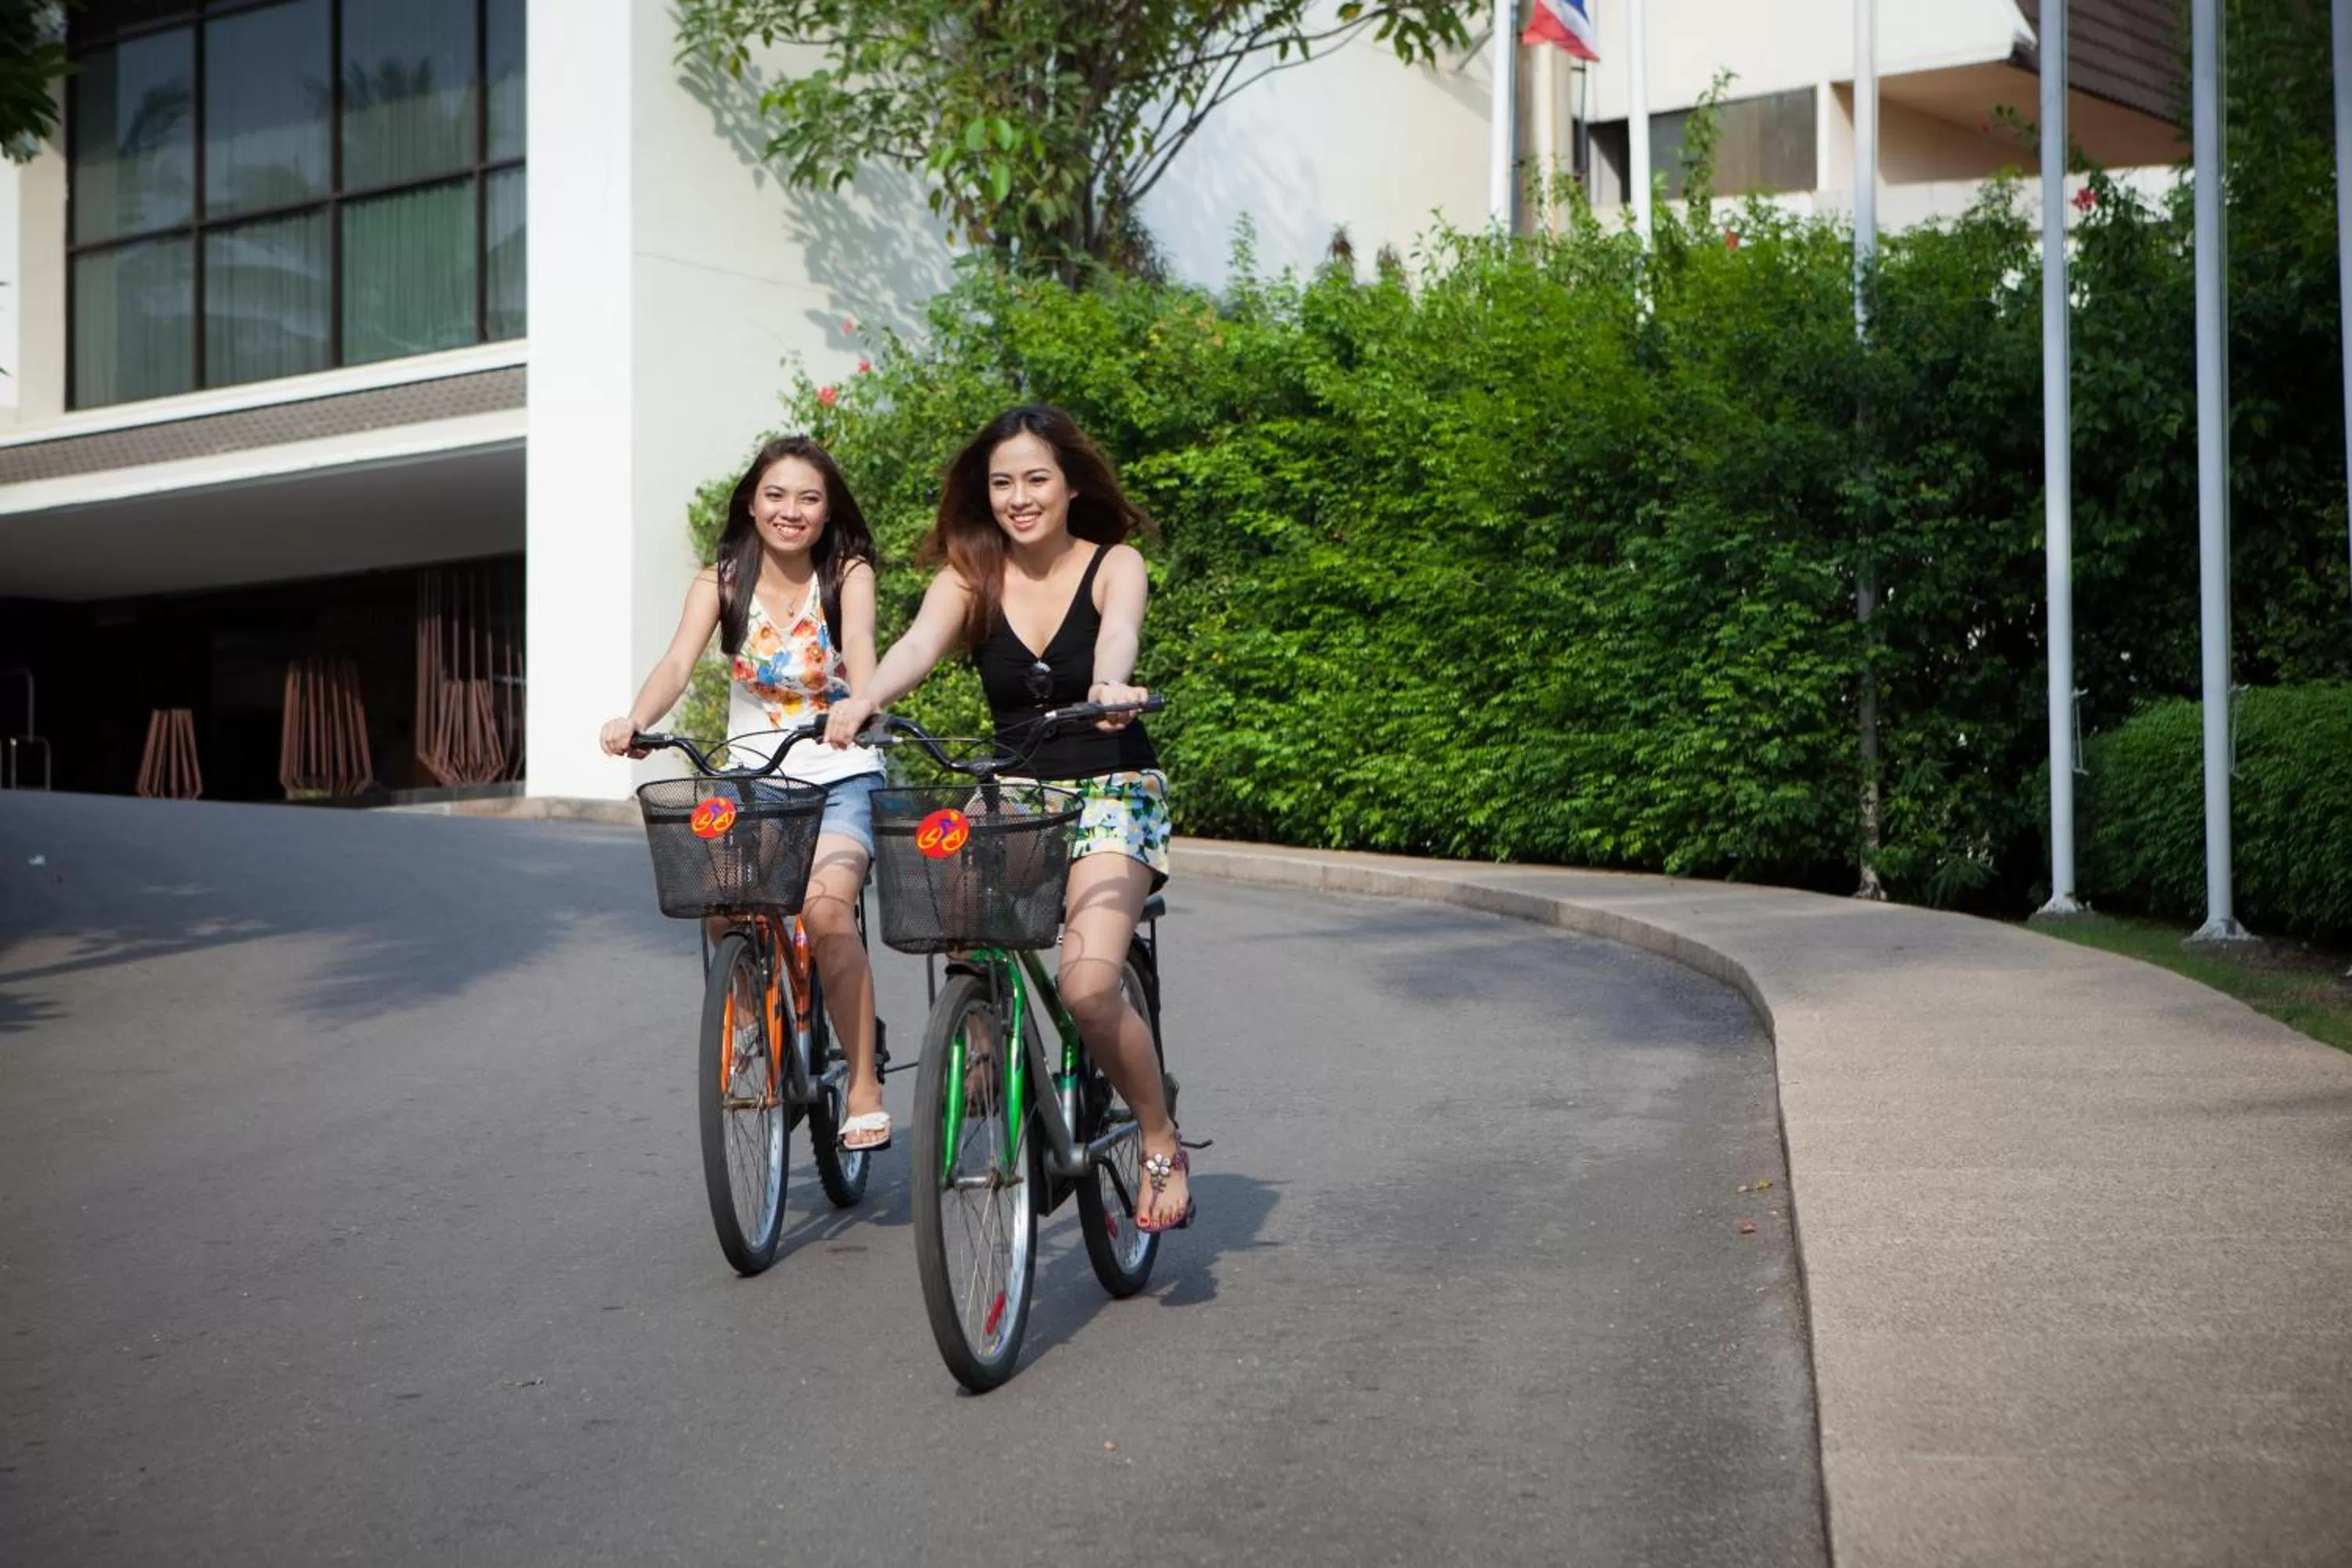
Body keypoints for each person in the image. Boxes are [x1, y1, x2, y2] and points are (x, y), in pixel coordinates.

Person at [826, 405, 1192, 1231]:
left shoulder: (1113, 562)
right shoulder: (969, 573)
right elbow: (917, 644)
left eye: (1035, 479)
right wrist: (867, 698)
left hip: (1110, 784)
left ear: (1069, 484)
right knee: (943, 877)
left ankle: (1161, 1137)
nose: (1018, 497)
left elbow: (1119, 632)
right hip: (1014, 785)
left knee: (1089, 986)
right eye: (1002, 483)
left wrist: (1110, 687)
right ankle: (984, 1030)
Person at [602, 435, 893, 1152]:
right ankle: (757, 1012)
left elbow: (859, 641)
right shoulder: (722, 578)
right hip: (755, 776)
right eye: (776, 495)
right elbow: (677, 661)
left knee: (827, 914)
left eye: (808, 498)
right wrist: (639, 719)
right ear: (752, 503)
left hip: (841, 769)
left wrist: (863, 699)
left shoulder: (846, 571)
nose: (790, 511)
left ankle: (862, 1085)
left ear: (828, 513)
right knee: (722, 903)